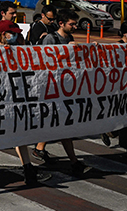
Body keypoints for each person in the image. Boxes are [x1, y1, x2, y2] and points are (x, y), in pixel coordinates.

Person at [0, 20, 51, 185]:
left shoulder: (14, 49)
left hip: (13, 97)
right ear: (3, 34)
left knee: (18, 131)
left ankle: (28, 169)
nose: (16, 36)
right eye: (13, 33)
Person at [36, 9, 92, 176]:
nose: (75, 27)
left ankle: (40, 148)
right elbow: (44, 61)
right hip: (51, 89)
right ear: (61, 24)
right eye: (71, 24)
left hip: (65, 89)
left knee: (59, 124)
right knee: (62, 125)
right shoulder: (50, 38)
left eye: (75, 24)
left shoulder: (71, 39)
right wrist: (65, 50)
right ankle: (74, 162)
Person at [101, 20, 127, 163]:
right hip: (118, 91)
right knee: (124, 120)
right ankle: (126, 146)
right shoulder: (117, 47)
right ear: (124, 34)